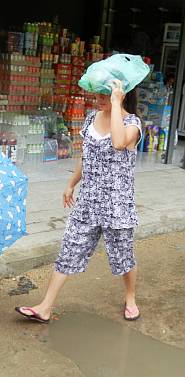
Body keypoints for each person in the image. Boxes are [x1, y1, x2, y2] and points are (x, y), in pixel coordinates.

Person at [15, 79, 142, 323]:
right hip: (88, 202)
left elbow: (118, 143)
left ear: (120, 95)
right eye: (97, 97)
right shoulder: (91, 119)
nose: (98, 101)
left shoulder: (132, 124)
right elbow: (86, 157)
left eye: (104, 96)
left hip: (117, 205)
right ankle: (45, 307)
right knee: (69, 250)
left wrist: (116, 104)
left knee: (123, 256)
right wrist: (72, 184)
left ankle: (130, 298)